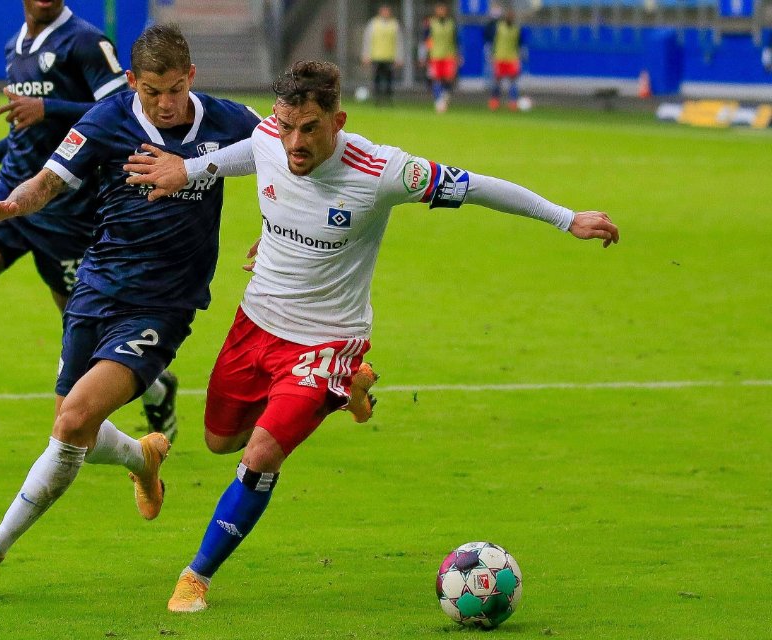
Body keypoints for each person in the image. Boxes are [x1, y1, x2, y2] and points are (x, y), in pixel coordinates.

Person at [124, 60, 619, 612]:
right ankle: (348, 392)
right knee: (221, 441)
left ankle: (196, 576)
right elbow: (250, 152)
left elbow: (476, 187)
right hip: (256, 323)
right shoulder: (270, 136)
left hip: (328, 339)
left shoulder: (382, 170)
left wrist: (563, 216)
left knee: (261, 454)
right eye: (286, 126)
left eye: (308, 128)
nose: (293, 143)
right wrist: (189, 171)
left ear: (337, 120)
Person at [0, 24, 263, 588]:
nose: (164, 104)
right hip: (97, 288)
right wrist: (13, 204)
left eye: (176, 90)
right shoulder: (107, 119)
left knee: (73, 419)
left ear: (193, 77)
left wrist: (275, 229)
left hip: (163, 304)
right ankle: (143, 458)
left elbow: (294, 162)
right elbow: (47, 183)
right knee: (75, 425)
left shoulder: (232, 120)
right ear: (132, 82)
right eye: (152, 91)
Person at [0, 0, 179, 471]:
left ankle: (157, 386)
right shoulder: (17, 44)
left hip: (66, 205)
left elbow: (121, 111)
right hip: (9, 192)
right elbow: (26, 126)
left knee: (86, 336)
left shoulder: (88, 42)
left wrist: (48, 106)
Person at [485, 7, 527, 111]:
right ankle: (494, 101)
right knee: (497, 81)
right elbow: (493, 41)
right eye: (508, 15)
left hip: (512, 58)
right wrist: (491, 54)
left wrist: (522, 55)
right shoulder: (498, 27)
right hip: (499, 57)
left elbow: (520, 43)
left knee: (513, 81)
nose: (510, 17)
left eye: (512, 16)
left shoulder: (517, 29)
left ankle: (513, 102)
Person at [361, 4, 403, 105]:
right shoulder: (373, 23)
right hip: (377, 56)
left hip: (389, 57)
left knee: (389, 79)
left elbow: (399, 42)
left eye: (387, 11)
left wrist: (399, 57)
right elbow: (367, 40)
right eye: (384, 11)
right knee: (377, 79)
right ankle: (378, 99)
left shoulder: (394, 24)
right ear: (380, 11)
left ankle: (388, 99)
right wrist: (366, 54)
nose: (385, 13)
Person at [427, 2, 461, 113]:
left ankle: (445, 96)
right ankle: (438, 101)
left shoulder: (451, 24)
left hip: (449, 55)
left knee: (448, 79)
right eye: (439, 9)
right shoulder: (431, 23)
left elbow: (456, 41)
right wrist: (425, 55)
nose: (441, 11)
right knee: (436, 79)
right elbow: (427, 41)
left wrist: (458, 55)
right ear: (436, 11)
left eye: (443, 9)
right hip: (435, 55)